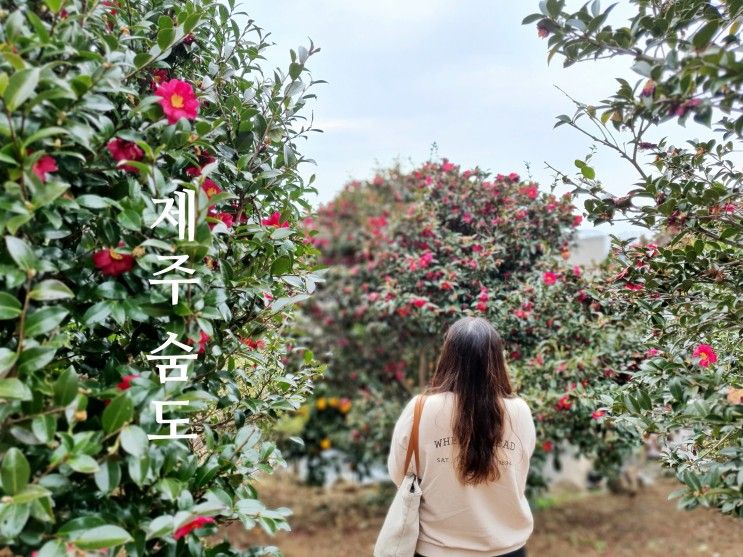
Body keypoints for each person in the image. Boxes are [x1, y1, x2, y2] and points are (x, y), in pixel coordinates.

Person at [387, 317, 536, 557]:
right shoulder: (519, 411)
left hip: (436, 550)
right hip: (507, 549)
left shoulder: (420, 409)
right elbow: (519, 474)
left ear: (448, 356)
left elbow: (399, 474)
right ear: (497, 359)